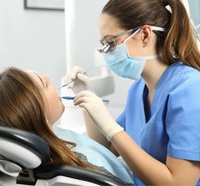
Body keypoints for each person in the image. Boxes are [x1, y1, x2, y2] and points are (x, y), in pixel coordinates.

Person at [65, 0, 200, 185]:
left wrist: (112, 127)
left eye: (111, 43)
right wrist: (86, 95)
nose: (107, 53)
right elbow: (105, 146)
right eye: (103, 45)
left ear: (145, 34)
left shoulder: (190, 89)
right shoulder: (138, 90)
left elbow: (178, 182)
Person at [0, 67, 134, 184]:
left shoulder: (49, 140)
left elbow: (98, 149)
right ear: (38, 113)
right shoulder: (85, 170)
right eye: (44, 84)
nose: (48, 77)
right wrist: (111, 129)